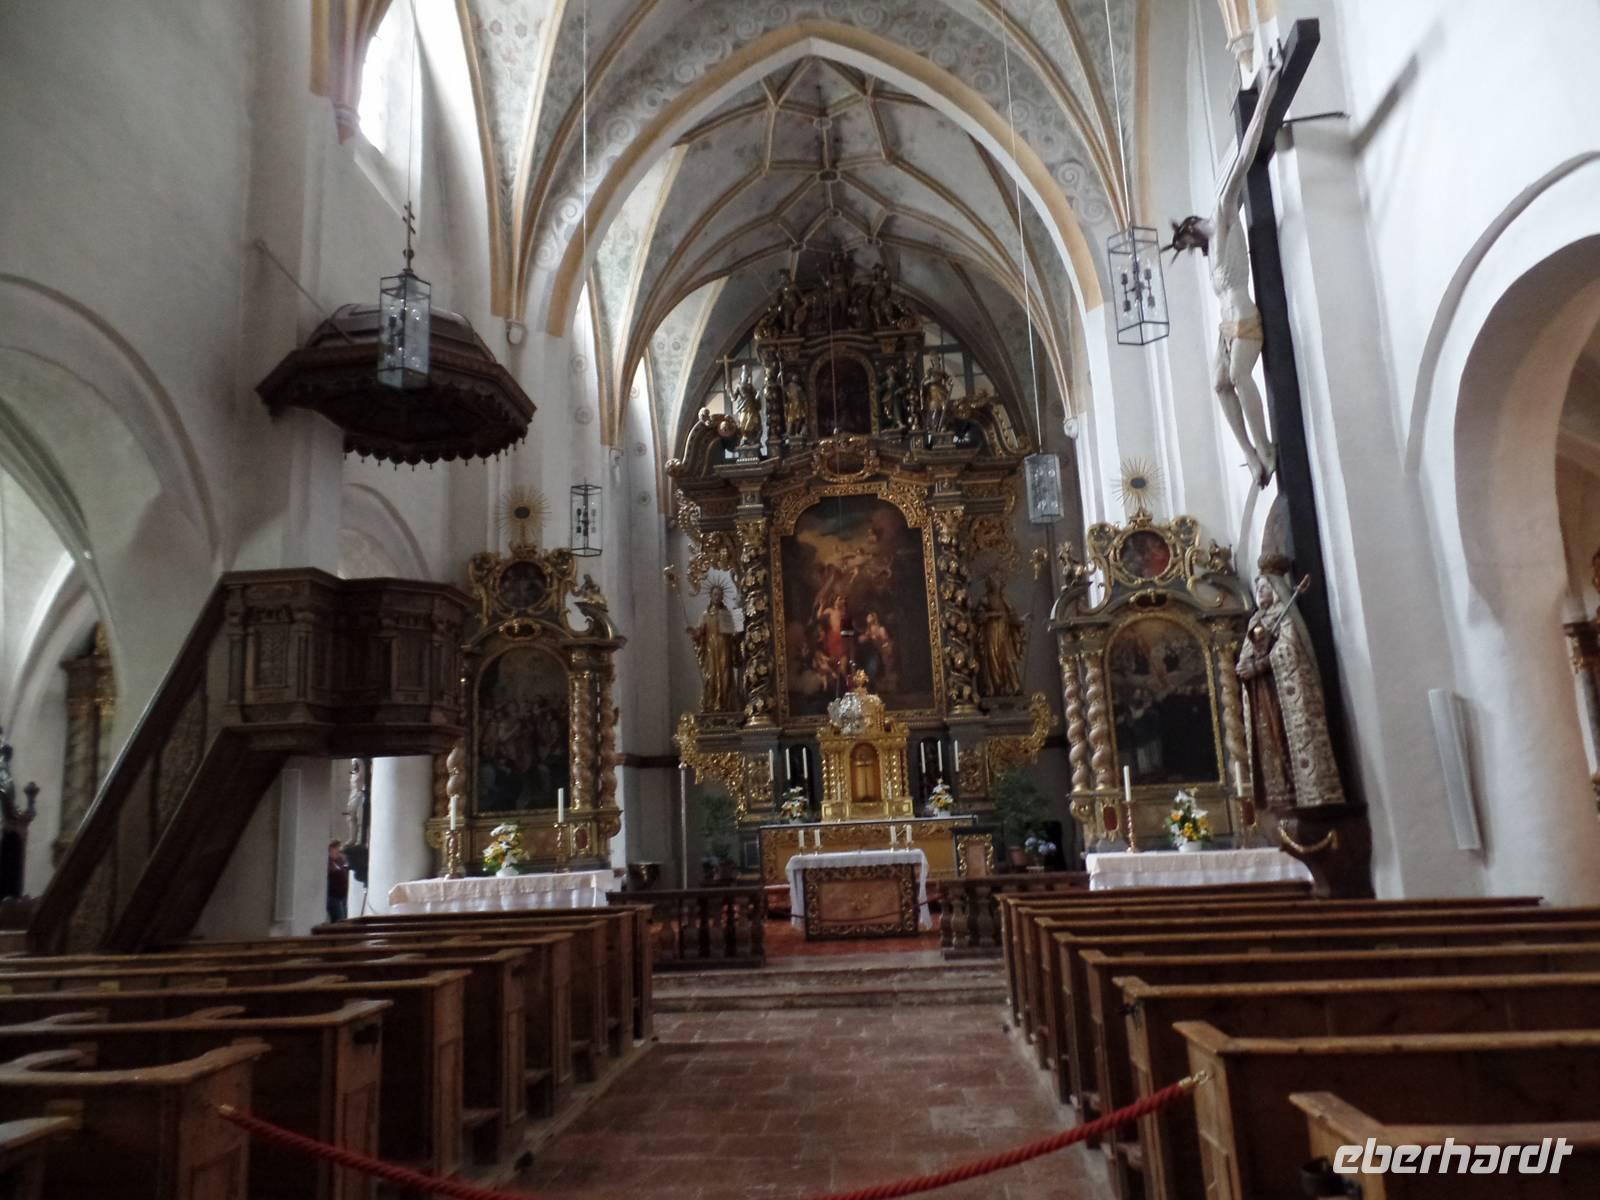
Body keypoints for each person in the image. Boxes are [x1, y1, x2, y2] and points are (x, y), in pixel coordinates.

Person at [1167, 51, 1283, 486]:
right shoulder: (1212, 245)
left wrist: (1267, 87)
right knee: (1219, 385)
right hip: (1226, 325)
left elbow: (1247, 153)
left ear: (1191, 226)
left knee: (1238, 376)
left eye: (1185, 241)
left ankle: (1266, 447)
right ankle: (1250, 455)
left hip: (1244, 315)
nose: (1190, 247)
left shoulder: (1223, 212)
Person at [326, 840, 350, 924]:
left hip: (342, 896)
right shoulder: (328, 862)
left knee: (344, 918)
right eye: (335, 849)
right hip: (333, 897)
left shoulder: (340, 861)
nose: (338, 851)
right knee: (339, 919)